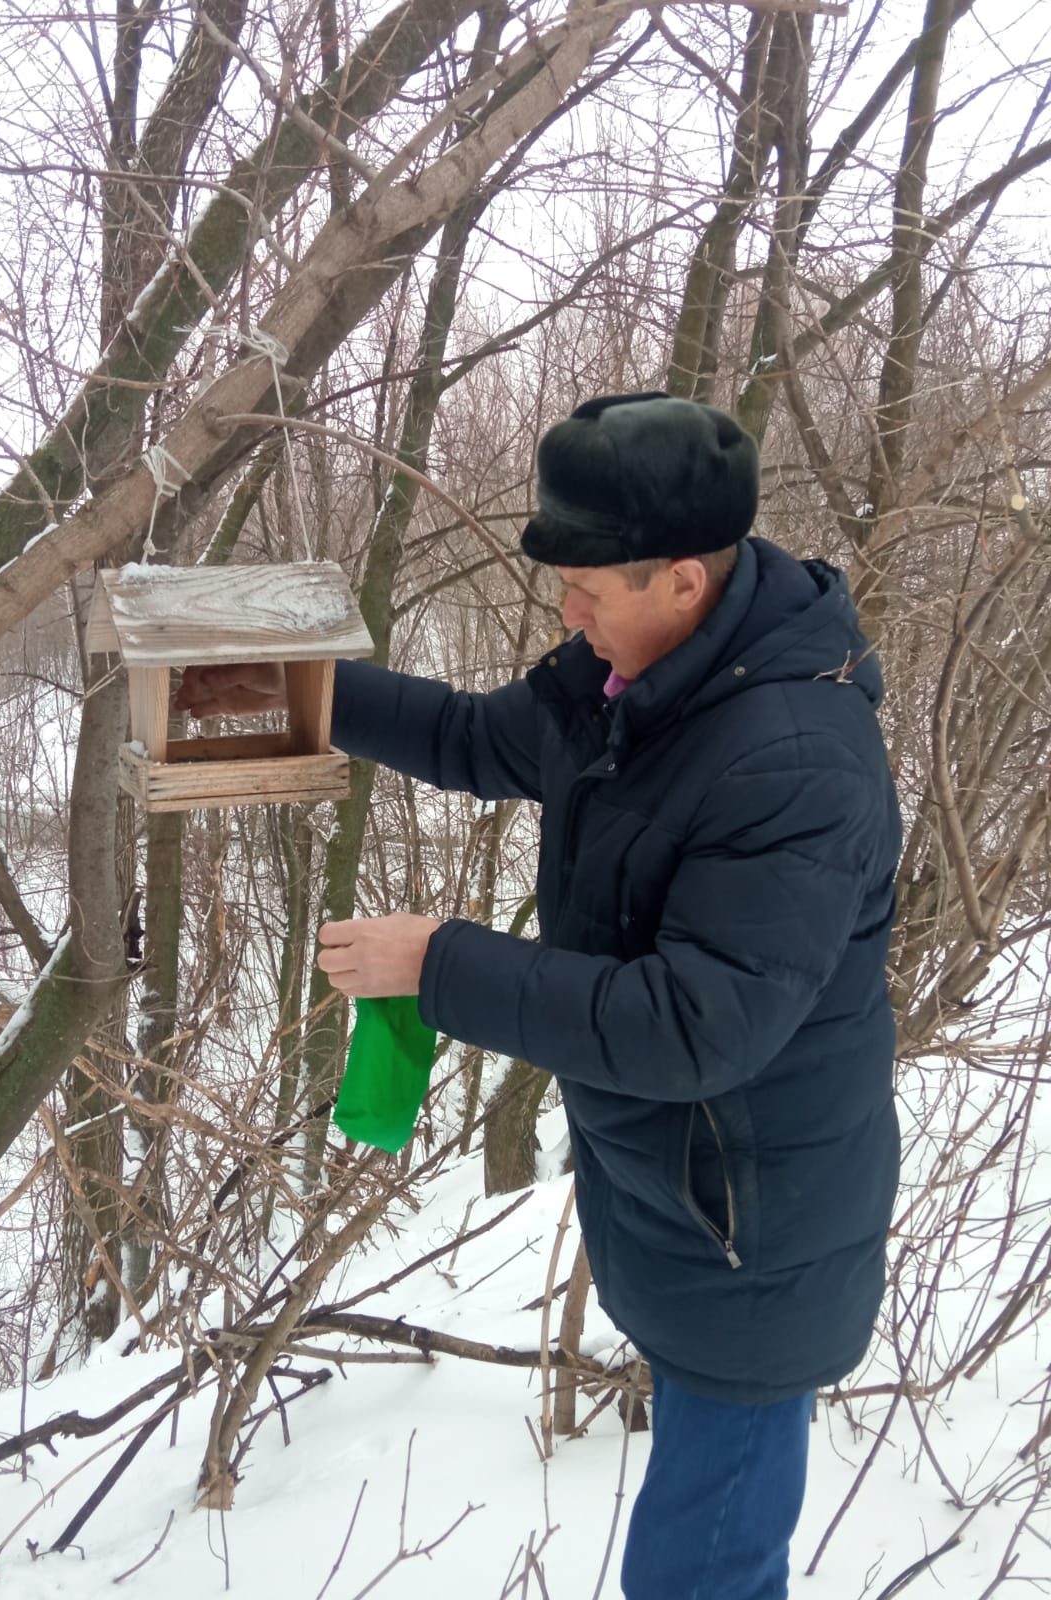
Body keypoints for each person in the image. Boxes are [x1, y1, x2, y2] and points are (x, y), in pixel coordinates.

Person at [175, 392, 903, 1600]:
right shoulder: (642, 675)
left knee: (700, 1573)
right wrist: (276, 688)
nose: (565, 612)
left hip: (756, 1240)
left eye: (589, 589)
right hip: (684, 1201)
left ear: (680, 580)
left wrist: (438, 963)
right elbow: (474, 738)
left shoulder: (793, 756)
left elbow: (692, 1025)